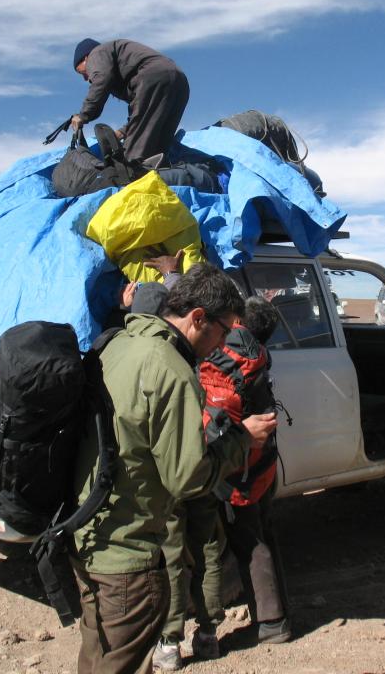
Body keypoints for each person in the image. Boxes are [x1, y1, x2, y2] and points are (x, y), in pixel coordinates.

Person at [71, 264, 278, 674]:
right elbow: (187, 479)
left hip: (86, 537)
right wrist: (242, 440)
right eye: (221, 331)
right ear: (197, 318)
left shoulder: (116, 342)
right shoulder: (174, 370)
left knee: (97, 657)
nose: (221, 344)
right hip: (129, 555)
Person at [209, 297, 292, 647]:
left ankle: (273, 621)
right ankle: (280, 612)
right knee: (263, 532)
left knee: (249, 542)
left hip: (236, 467)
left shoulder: (221, 356)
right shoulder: (258, 353)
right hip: (262, 461)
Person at [69, 38, 190, 164]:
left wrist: (83, 115)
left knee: (134, 158)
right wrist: (122, 132)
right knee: (158, 146)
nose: (85, 78)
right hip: (179, 82)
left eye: (81, 72)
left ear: (86, 58)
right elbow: (144, 114)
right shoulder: (119, 60)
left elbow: (101, 79)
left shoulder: (97, 53)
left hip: (153, 79)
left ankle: (134, 177)